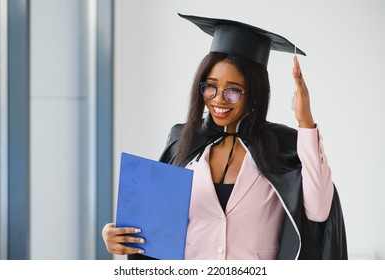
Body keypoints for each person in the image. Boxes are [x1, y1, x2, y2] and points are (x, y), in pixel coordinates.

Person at [102, 13, 347, 260]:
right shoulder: (183, 141)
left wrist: (305, 122)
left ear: (255, 92)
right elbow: (153, 228)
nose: (218, 99)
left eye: (232, 91)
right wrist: (113, 235)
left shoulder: (283, 145)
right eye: (210, 86)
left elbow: (318, 211)